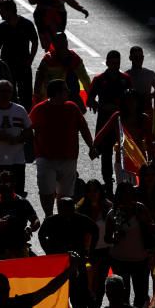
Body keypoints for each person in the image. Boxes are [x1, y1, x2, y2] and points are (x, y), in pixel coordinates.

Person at [29, 79, 97, 217]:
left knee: (66, 195)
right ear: (57, 93)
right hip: (45, 158)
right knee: (46, 191)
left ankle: (62, 219)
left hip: (68, 158)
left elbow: (83, 128)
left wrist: (91, 146)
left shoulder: (72, 107)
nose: (68, 92)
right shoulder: (39, 109)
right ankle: (48, 217)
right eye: (65, 90)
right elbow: (28, 128)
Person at [87, 50, 133, 193]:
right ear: (107, 62)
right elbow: (89, 99)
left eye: (117, 62)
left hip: (122, 122)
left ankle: (126, 182)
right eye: (112, 62)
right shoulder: (99, 79)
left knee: (125, 152)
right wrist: (99, 106)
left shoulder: (126, 78)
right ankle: (108, 183)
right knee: (106, 153)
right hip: (105, 121)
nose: (115, 65)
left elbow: (133, 98)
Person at [106, 183, 155, 308]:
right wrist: (115, 238)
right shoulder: (112, 213)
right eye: (123, 193)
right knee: (123, 295)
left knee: (141, 294)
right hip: (119, 260)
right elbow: (107, 238)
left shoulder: (140, 209)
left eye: (129, 193)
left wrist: (143, 220)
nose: (127, 197)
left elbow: (152, 228)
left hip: (140, 259)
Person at [0, 0, 39, 111]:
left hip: (23, 65)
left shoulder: (27, 24)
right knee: (9, 94)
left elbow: (35, 40)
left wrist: (31, 59)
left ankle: (27, 119)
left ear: (9, 10)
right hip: (7, 66)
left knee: (26, 95)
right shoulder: (1, 27)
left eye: (2, 10)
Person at [33, 33, 90, 108]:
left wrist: (90, 96)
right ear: (54, 44)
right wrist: (37, 96)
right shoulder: (48, 60)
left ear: (66, 43)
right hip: (51, 99)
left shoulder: (74, 59)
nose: (61, 45)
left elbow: (85, 78)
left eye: (63, 42)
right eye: (58, 43)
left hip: (70, 98)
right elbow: (39, 78)